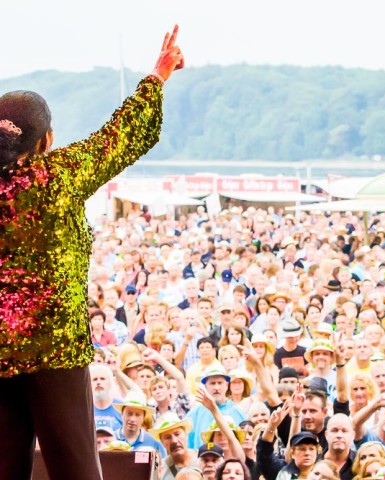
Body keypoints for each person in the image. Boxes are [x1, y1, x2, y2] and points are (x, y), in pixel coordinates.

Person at [0, 25, 183, 479]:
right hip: (56, 352)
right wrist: (158, 76)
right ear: (46, 141)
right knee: (76, 469)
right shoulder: (57, 177)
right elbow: (120, 136)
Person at [149, 412, 197, 479]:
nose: (174, 441)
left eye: (177, 434)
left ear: (186, 434)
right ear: (162, 442)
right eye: (168, 437)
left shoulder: (205, 459)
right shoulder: (160, 470)